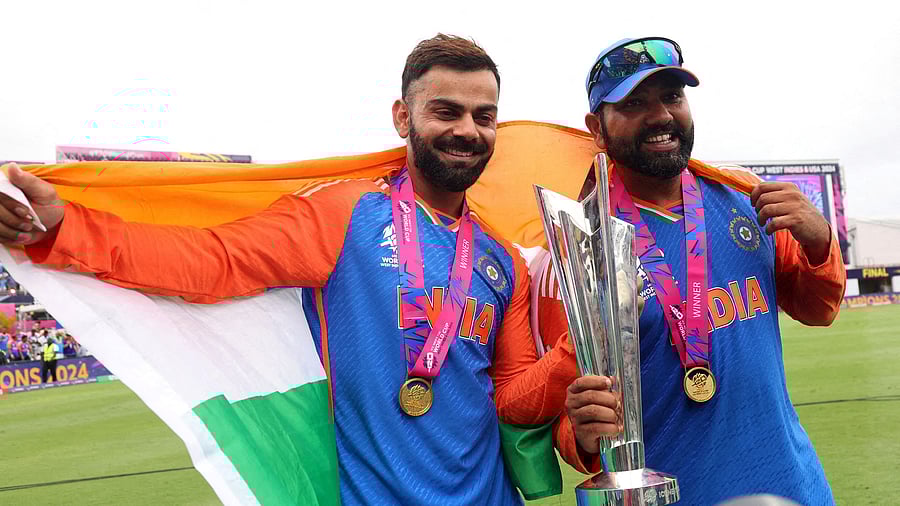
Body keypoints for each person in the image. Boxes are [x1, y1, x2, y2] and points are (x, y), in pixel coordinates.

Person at [0, 34, 577, 505]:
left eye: (485, 116)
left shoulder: (502, 261)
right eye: (445, 111)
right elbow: (213, 263)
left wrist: (574, 353)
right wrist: (66, 228)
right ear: (403, 118)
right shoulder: (346, 213)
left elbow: (512, 400)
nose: (467, 131)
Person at [534, 37, 845, 505]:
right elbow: (566, 420)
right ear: (597, 128)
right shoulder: (577, 248)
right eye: (634, 103)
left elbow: (819, 308)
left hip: (792, 487)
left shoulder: (745, 200)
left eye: (672, 97)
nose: (660, 116)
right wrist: (581, 432)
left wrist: (819, 240)